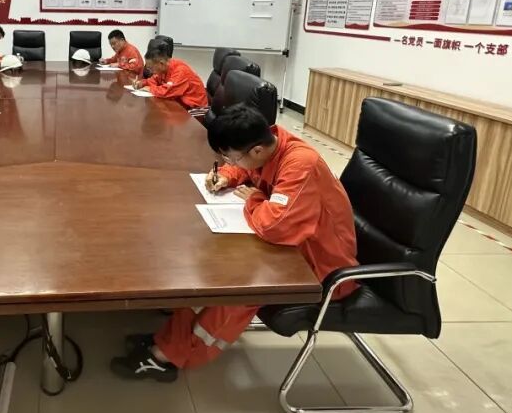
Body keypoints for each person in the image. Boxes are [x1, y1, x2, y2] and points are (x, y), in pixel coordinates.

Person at [111, 104, 358, 382]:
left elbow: (274, 226)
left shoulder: (301, 164)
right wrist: (227, 175)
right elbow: (248, 173)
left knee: (239, 285)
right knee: (213, 269)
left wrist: (254, 199)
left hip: (320, 267)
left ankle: (168, 357)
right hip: (292, 247)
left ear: (256, 151)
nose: (231, 161)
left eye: (232, 157)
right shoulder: (271, 144)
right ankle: (169, 339)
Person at [132, 41, 208, 110]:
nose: (150, 71)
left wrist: (149, 89)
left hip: (194, 110)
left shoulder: (180, 71)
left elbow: (166, 91)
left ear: (161, 63)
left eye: (151, 68)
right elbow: (154, 80)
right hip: (179, 104)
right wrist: (142, 83)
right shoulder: (163, 69)